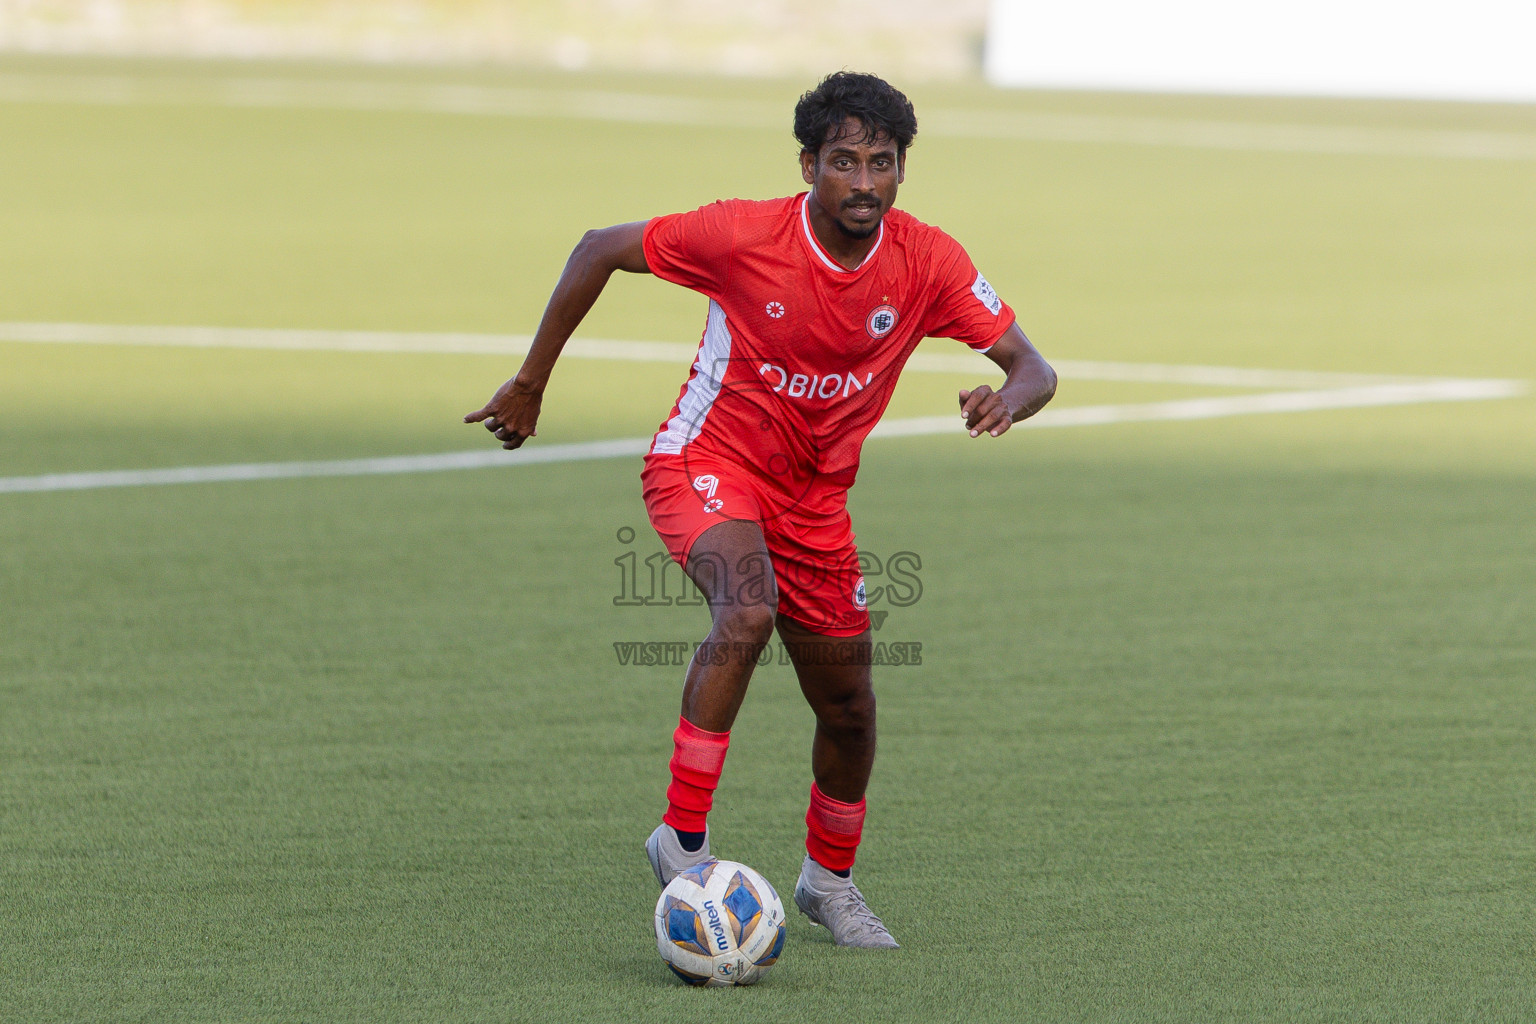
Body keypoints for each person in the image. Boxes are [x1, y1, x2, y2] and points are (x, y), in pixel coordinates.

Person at [466, 72, 1057, 949]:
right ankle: (683, 839)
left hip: (816, 501)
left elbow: (1035, 365)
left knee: (850, 709)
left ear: (902, 172)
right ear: (808, 164)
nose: (863, 181)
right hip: (709, 460)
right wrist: (530, 382)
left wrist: (1012, 396)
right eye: (844, 161)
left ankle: (829, 883)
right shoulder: (742, 235)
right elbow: (598, 247)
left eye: (882, 163)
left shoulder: (928, 261)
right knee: (746, 607)